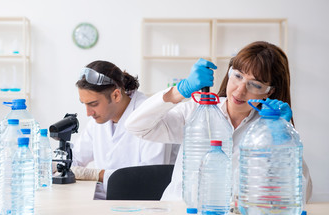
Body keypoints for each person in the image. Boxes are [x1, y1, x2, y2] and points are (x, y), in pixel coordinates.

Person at [125, 41, 312, 203]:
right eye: (237, 76)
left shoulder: (268, 129)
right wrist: (180, 91)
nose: (239, 91)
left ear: (269, 91)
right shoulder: (195, 111)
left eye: (255, 84)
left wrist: (283, 137)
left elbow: (301, 194)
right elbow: (135, 126)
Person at [69, 60, 178, 200]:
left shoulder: (151, 116)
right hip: (107, 201)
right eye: (84, 104)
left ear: (116, 95)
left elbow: (151, 178)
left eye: (93, 104)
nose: (88, 113)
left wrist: (99, 175)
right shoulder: (98, 121)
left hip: (143, 205)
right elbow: (76, 159)